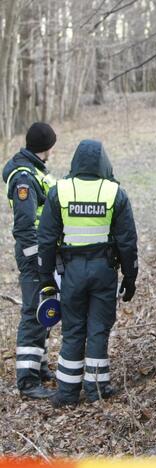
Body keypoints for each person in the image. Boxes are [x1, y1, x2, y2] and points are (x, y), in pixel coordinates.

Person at [38, 140, 138, 407]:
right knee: (98, 329)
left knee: (72, 330)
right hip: (104, 271)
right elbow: (127, 242)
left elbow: (46, 239)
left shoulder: (60, 191)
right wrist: (130, 277)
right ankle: (96, 389)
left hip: (71, 272)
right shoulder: (115, 193)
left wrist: (46, 277)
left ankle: (67, 394)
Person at [2, 122, 58, 399]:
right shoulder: (24, 178)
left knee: (44, 311)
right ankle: (27, 381)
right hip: (34, 256)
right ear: (48, 147)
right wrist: (37, 257)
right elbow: (24, 226)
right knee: (33, 314)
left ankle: (39, 366)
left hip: (44, 254)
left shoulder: (34, 170)